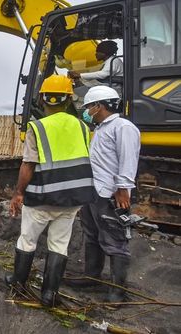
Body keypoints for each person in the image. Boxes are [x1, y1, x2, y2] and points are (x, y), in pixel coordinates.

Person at [5, 74, 96, 307]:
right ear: (68, 100)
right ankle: (49, 294)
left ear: (43, 99)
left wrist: (18, 193)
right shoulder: (83, 127)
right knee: (59, 244)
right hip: (72, 198)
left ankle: (18, 283)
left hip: (43, 198)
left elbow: (28, 164)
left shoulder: (37, 127)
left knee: (27, 240)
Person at [67, 85, 140, 303]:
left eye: (89, 106)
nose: (87, 110)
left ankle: (118, 290)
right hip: (94, 192)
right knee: (92, 235)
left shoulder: (123, 127)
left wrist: (123, 189)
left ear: (99, 106)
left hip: (111, 194)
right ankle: (92, 276)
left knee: (115, 239)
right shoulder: (100, 128)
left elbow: (128, 160)